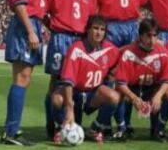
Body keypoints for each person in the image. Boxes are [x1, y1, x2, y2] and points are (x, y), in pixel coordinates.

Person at [93, 0, 148, 136]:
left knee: (129, 78)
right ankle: (107, 123)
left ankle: (125, 123)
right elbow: (94, 5)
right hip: (110, 28)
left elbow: (146, 1)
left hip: (131, 27)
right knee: (110, 76)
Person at [2, 0, 50, 146]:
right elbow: (19, 3)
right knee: (21, 78)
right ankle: (11, 131)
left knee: (25, 78)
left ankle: (12, 128)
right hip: (25, 26)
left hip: (33, 25)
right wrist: (31, 31)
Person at [44, 0, 97, 139]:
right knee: (55, 80)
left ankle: (73, 121)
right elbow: (44, 13)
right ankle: (52, 123)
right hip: (60, 38)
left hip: (81, 40)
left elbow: (92, 17)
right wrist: (57, 29)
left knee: (76, 83)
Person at [51, 15, 120, 144]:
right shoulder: (76, 49)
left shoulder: (110, 49)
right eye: (95, 28)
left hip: (93, 94)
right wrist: (69, 108)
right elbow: (67, 81)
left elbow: (122, 56)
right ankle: (63, 128)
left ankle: (95, 128)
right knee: (56, 99)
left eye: (102, 29)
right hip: (75, 93)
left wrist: (111, 74)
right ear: (88, 29)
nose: (98, 32)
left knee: (114, 97)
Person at [114, 18, 168, 142]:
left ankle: (158, 129)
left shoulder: (164, 53)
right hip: (133, 89)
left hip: (152, 89)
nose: (152, 40)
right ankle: (123, 128)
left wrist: (158, 96)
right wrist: (133, 97)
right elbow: (120, 83)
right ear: (140, 36)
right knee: (119, 94)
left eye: (154, 36)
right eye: (148, 35)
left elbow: (167, 80)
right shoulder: (129, 52)